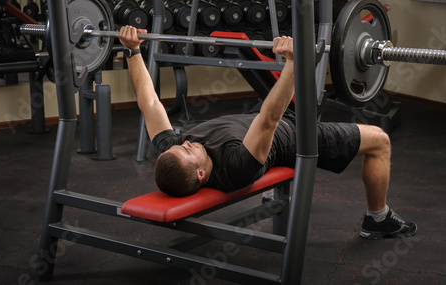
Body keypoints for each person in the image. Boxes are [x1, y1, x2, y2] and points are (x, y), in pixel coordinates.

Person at [118, 25, 417, 240]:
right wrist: (292, 61)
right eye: (187, 150)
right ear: (200, 175)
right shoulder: (235, 167)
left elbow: (150, 103)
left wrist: (132, 51)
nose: (186, 142)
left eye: (179, 145)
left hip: (267, 118)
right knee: (380, 140)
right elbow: (270, 119)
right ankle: (377, 219)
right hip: (296, 134)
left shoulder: (173, 151)